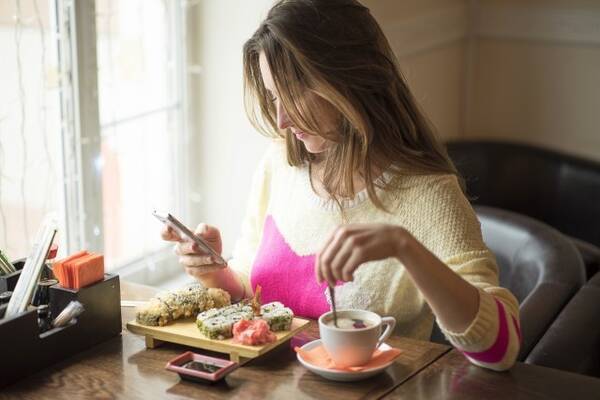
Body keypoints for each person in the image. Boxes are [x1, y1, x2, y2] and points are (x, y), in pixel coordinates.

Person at [161, 0, 520, 371]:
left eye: (293, 94)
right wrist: (214, 272)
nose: (282, 119)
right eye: (273, 97)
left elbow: (500, 351)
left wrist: (405, 247)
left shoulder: (429, 195)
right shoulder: (278, 164)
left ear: (346, 78)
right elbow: (255, 299)